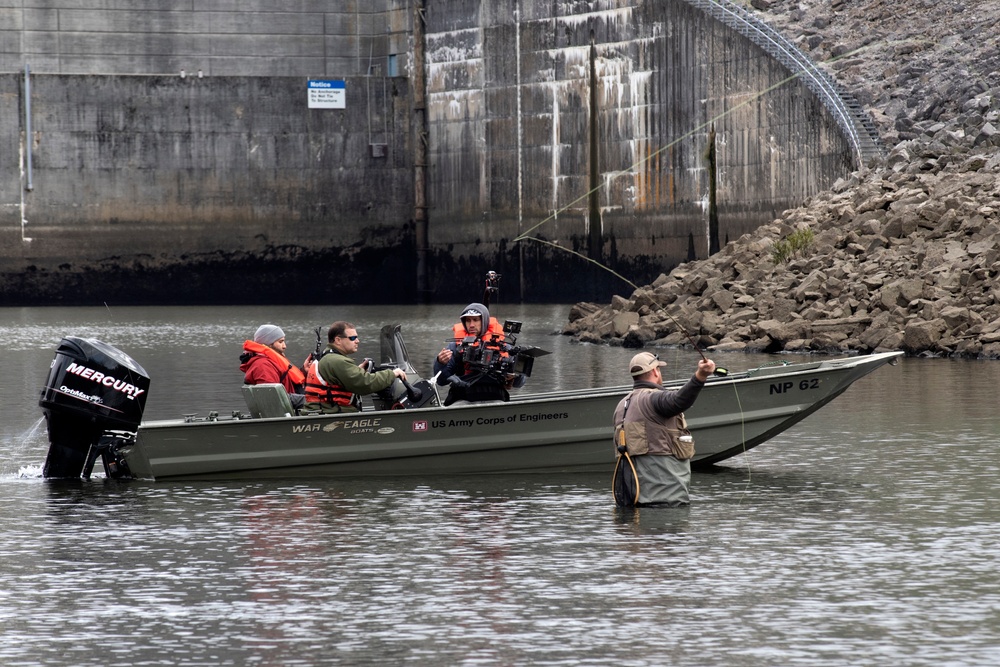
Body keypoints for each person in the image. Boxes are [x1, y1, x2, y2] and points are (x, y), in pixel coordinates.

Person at [612, 351, 716, 506]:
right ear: (655, 371)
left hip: (632, 498)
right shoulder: (654, 399)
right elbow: (678, 401)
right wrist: (700, 376)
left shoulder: (621, 406)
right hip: (665, 500)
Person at [302, 321, 406, 413]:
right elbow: (365, 384)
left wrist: (358, 370)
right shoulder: (337, 361)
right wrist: (392, 374)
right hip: (332, 413)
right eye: (352, 338)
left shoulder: (326, 356)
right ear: (338, 340)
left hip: (325, 410)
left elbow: (343, 379)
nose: (357, 341)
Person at [433, 302, 514, 404]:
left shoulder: (503, 345)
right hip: (463, 399)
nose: (471, 325)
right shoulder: (456, 346)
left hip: (496, 399)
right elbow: (441, 381)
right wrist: (440, 363)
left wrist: (513, 377)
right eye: (468, 320)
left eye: (475, 320)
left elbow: (519, 382)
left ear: (484, 321)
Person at [240, 324, 307, 409]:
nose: (284, 346)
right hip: (284, 415)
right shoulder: (263, 366)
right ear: (269, 343)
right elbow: (273, 398)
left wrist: (304, 371)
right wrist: (309, 401)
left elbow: (286, 385)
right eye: (280, 342)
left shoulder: (271, 362)